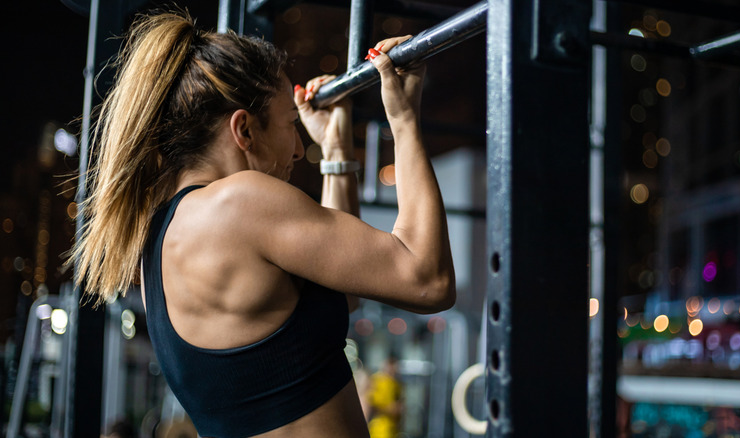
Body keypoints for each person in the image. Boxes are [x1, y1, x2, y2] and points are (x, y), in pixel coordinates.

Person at [71, 10, 455, 438]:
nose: (296, 149)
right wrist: (403, 120)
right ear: (245, 131)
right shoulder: (238, 203)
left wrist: (335, 153)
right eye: (291, 125)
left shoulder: (162, 238)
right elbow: (427, 279)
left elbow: (343, 291)